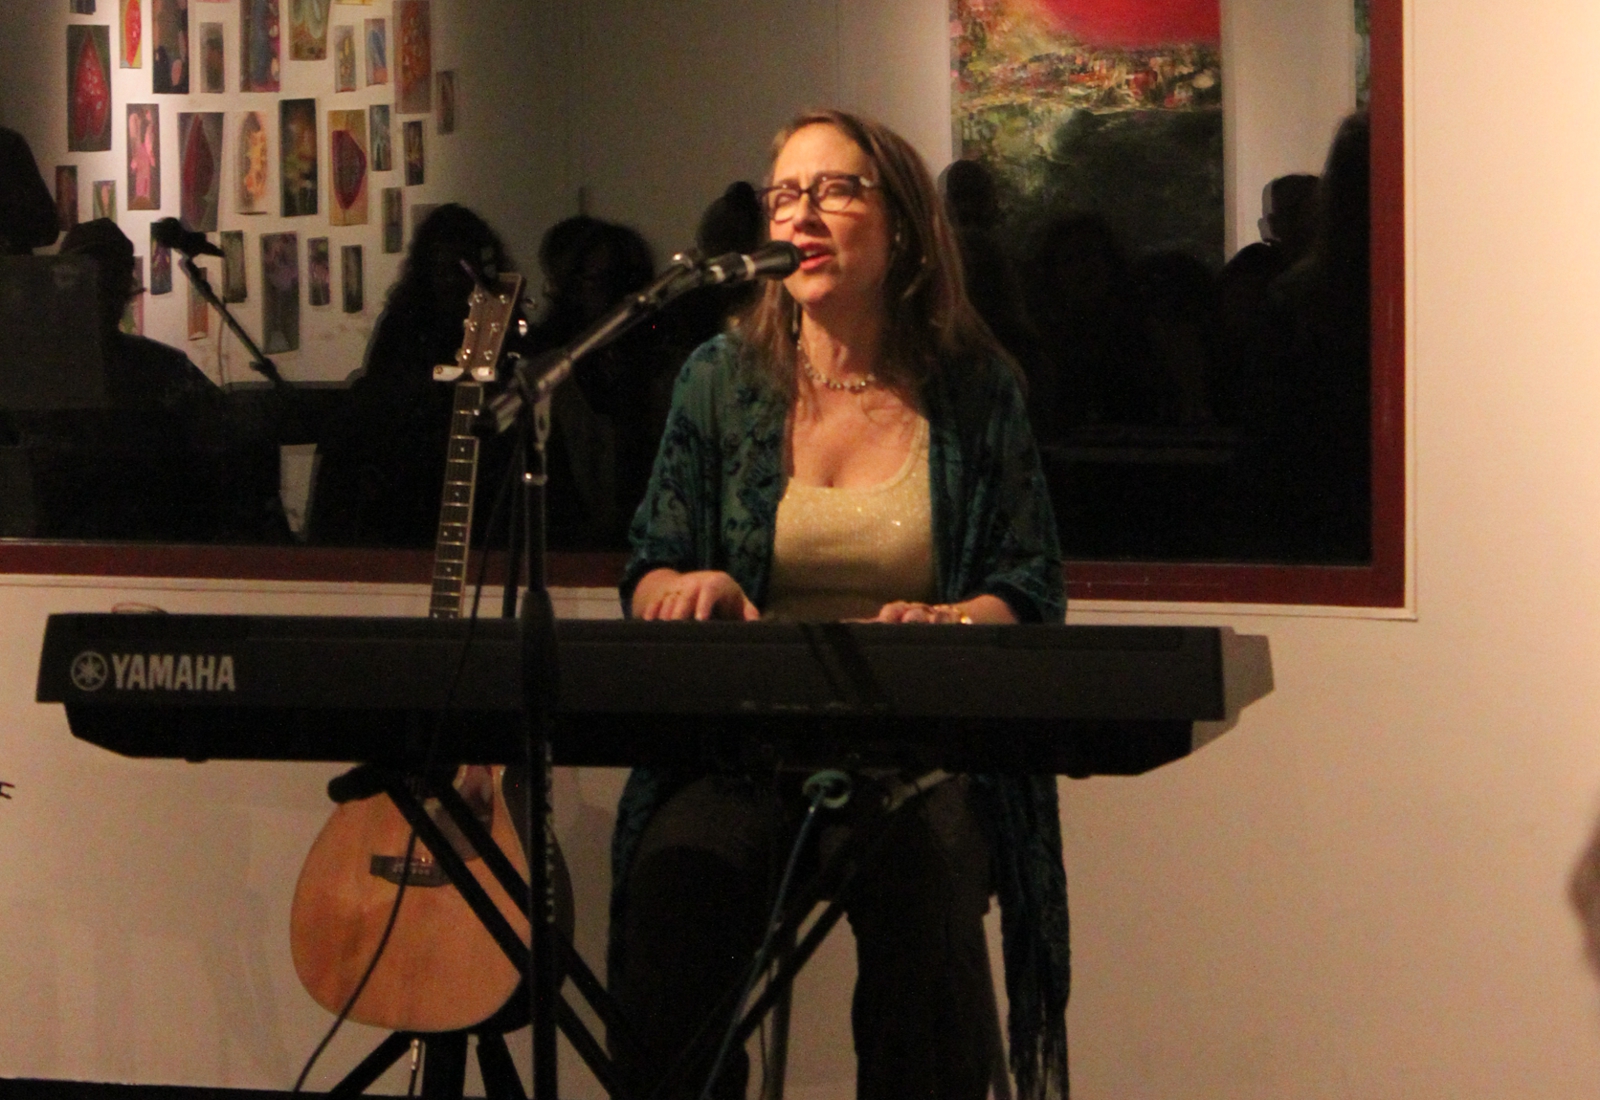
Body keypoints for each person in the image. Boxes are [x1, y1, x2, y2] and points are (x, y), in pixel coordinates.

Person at [610, 109, 1068, 1100]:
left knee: (928, 898)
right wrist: (683, 586)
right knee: (675, 878)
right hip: (744, 750)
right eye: (784, 194)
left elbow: (1029, 584)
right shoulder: (719, 380)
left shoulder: (974, 390)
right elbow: (648, 560)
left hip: (916, 755)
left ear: (899, 223)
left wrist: (947, 624)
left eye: (835, 190)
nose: (802, 214)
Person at [309, 204, 516, 547]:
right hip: (406, 479)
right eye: (440, 269)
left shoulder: (501, 324)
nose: (449, 280)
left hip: (480, 476)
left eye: (458, 268)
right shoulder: (405, 322)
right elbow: (380, 393)